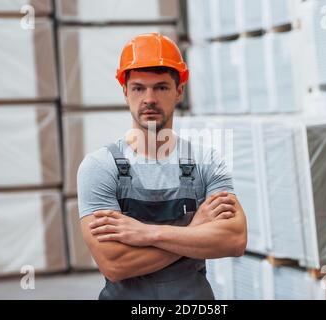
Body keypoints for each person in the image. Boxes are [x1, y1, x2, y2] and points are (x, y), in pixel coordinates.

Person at [77, 33, 247, 300]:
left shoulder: (207, 162)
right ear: (125, 91)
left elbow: (234, 240)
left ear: (179, 91)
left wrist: (146, 233)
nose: (149, 98)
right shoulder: (99, 167)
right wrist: (193, 231)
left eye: (161, 87)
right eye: (138, 88)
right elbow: (114, 264)